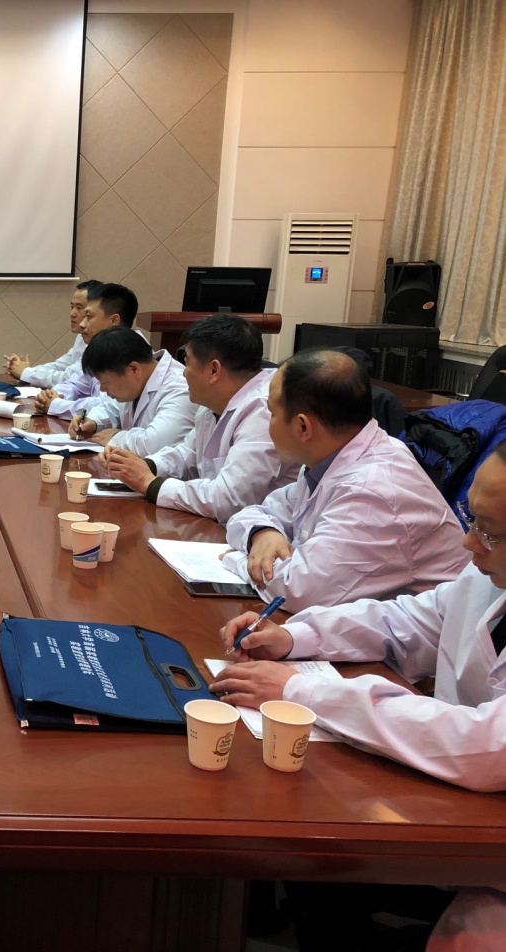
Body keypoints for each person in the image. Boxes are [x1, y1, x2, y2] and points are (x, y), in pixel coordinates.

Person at [211, 445, 506, 951]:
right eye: (471, 519)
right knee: (313, 859)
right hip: (461, 810)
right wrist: (295, 637)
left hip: (486, 847)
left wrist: (303, 691)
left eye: (491, 532)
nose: (468, 542)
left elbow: (486, 746)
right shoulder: (488, 577)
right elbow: (409, 620)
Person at [221, 348, 468, 611]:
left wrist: (235, 559)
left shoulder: (373, 490)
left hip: (429, 633)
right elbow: (259, 511)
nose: (267, 423)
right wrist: (263, 533)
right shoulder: (334, 456)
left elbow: (298, 591)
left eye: (271, 413)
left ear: (303, 427)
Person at [101, 314, 299, 522]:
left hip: (261, 530)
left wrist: (148, 483)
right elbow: (187, 454)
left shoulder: (265, 409)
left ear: (214, 370)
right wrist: (141, 466)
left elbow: (228, 500)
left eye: (187, 363)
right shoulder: (213, 401)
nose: (183, 373)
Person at [69, 327, 195, 456]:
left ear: (134, 369)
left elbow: (155, 444)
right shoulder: (134, 382)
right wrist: (93, 422)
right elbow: (111, 408)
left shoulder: (180, 387)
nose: (102, 389)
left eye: (104, 382)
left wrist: (116, 438)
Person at [35, 282, 140, 419]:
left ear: (114, 321)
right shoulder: (101, 350)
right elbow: (75, 384)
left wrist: (57, 405)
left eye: (89, 317)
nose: (82, 324)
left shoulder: (132, 354)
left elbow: (107, 406)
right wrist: (52, 396)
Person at [3, 279, 101, 386]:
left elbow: (70, 379)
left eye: (79, 308)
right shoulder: (82, 336)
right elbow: (61, 365)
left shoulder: (101, 344)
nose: (72, 313)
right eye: (72, 307)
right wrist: (25, 371)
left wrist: (26, 373)